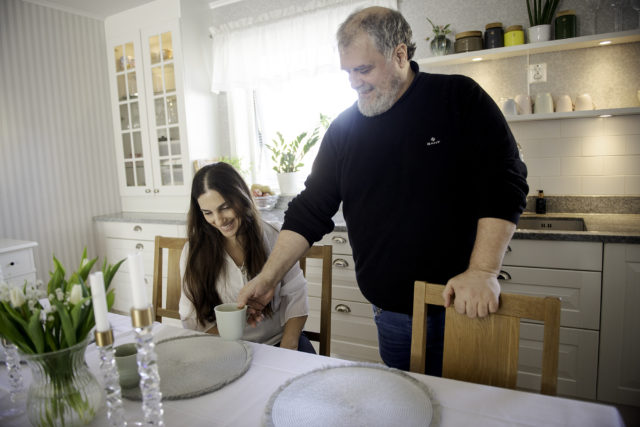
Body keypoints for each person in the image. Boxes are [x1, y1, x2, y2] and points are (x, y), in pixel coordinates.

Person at [237, 6, 528, 373]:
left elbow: (505, 181)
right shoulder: (344, 130)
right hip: (391, 314)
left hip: (462, 304)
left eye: (363, 69)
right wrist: (267, 280)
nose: (354, 82)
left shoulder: (458, 99)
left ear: (400, 54)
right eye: (347, 72)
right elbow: (310, 208)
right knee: (407, 400)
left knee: (471, 403)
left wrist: (483, 271)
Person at [179, 162, 315, 353]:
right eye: (208, 213)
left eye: (225, 207)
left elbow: (296, 295)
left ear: (241, 197)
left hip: (280, 342)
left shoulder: (276, 236)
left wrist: (288, 348)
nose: (218, 220)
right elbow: (191, 315)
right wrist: (233, 351)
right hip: (226, 348)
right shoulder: (193, 252)